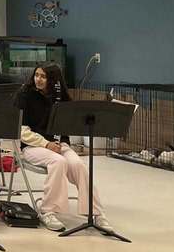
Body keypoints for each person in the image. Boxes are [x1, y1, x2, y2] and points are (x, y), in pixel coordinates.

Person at [15, 64, 111, 233]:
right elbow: (21, 130)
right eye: (36, 75)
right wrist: (46, 144)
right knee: (58, 162)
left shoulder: (60, 97)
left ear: (53, 80)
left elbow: (69, 124)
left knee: (78, 165)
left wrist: (61, 142)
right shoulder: (25, 95)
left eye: (43, 76)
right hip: (32, 146)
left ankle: (95, 212)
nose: (38, 79)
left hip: (59, 145)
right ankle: (48, 211)